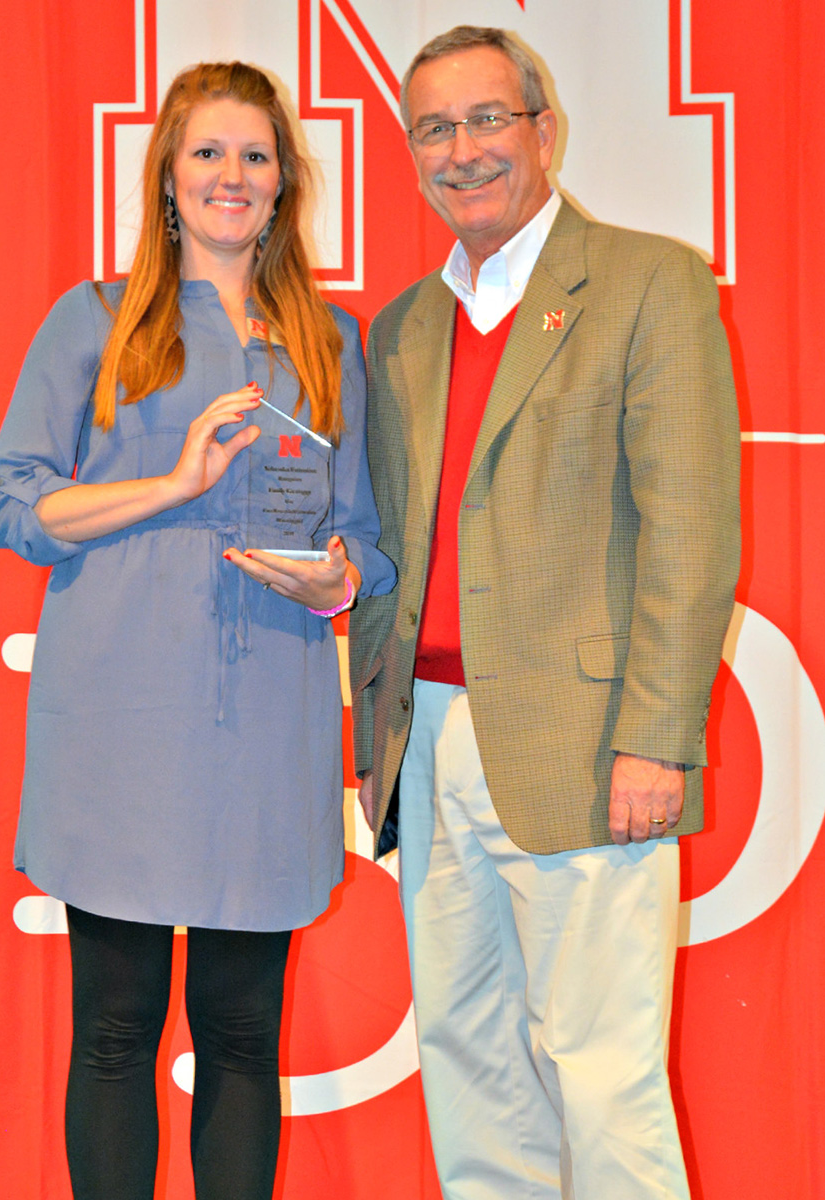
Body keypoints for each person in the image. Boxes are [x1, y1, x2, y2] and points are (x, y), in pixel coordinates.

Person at [0, 61, 395, 1200]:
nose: (232, 175)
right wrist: (171, 484)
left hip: (266, 714)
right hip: (116, 717)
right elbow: (11, 506)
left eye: (254, 155)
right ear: (167, 176)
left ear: (283, 184)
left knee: (241, 1035)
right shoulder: (97, 319)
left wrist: (330, 585)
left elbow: (362, 536)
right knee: (113, 1030)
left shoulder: (329, 342)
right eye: (207, 152)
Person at [349, 25, 740, 1200]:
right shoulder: (403, 325)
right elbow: (395, 547)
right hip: (425, 743)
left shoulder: (646, 282)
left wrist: (656, 739)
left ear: (543, 130)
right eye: (433, 128)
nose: (461, 151)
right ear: (410, 149)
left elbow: (690, 529)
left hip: (586, 749)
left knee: (602, 1075)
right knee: (468, 1068)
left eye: (485, 120)